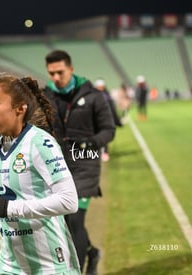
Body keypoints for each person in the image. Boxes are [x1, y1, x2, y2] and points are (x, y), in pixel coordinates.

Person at [0, 73, 81, 274]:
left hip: (50, 265)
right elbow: (4, 202)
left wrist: (9, 208)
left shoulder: (40, 143)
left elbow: (69, 201)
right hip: (10, 265)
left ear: (20, 109)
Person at [43, 50, 116, 275]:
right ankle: (92, 252)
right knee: (65, 223)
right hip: (57, 168)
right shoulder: (44, 97)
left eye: (60, 72)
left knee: (75, 220)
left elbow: (108, 130)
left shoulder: (94, 96)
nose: (56, 77)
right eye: (51, 73)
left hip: (86, 165)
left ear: (71, 69)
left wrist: (92, 143)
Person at [94, 78, 122, 162]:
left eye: (101, 87)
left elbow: (112, 109)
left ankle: (105, 152)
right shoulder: (92, 96)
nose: (100, 88)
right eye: (98, 87)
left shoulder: (107, 96)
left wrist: (115, 120)